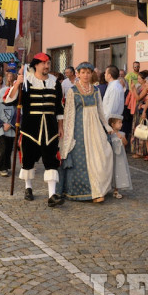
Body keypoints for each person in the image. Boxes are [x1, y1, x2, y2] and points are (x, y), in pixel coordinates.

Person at [8, 53, 65, 207]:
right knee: (28, 158)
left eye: (48, 63)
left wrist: (60, 126)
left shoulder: (55, 82)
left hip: (50, 126)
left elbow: (59, 107)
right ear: (36, 65)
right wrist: (17, 84)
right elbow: (9, 100)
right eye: (44, 63)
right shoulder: (27, 81)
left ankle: (52, 194)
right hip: (30, 126)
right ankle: (28, 187)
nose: (47, 66)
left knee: (51, 159)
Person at [58, 62, 113, 203]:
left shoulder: (96, 90)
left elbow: (101, 110)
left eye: (88, 72)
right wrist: (67, 132)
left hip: (95, 128)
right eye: (83, 72)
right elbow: (69, 113)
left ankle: (99, 189)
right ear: (78, 74)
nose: (86, 75)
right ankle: (87, 192)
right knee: (82, 160)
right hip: (79, 129)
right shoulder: (72, 91)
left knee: (101, 156)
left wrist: (106, 126)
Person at [0, 73, 17, 176]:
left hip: (10, 131)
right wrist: (3, 125)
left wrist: (10, 124)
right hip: (1, 130)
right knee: (4, 148)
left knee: (9, 150)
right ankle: (3, 168)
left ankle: (4, 166)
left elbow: (15, 117)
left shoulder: (13, 106)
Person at [108, 114, 132, 199]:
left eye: (121, 123)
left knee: (118, 171)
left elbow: (125, 143)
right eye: (119, 123)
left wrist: (121, 138)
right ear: (112, 124)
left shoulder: (122, 133)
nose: (121, 124)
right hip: (112, 156)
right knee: (110, 171)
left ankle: (116, 190)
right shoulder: (109, 133)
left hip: (120, 157)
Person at [129, 70, 148, 159]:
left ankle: (141, 151)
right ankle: (137, 150)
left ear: (144, 79)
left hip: (141, 109)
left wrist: (133, 88)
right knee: (136, 129)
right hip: (137, 109)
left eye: (139, 78)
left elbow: (138, 97)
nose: (138, 80)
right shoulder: (140, 87)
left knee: (141, 130)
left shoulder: (145, 88)